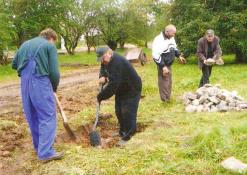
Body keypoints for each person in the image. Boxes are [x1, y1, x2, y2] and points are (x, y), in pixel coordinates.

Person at [12, 28, 63, 162]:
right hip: (40, 81)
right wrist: (54, 87)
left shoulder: (24, 45)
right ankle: (46, 152)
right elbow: (54, 72)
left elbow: (14, 64)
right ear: (51, 38)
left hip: (25, 83)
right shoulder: (48, 46)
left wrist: (25, 74)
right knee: (47, 115)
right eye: (54, 42)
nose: (53, 44)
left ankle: (39, 147)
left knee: (33, 116)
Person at [96, 47, 142, 146]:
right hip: (121, 88)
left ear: (109, 53)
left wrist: (100, 96)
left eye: (103, 58)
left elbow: (112, 86)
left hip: (132, 88)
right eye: (101, 59)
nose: (102, 61)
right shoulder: (106, 60)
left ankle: (129, 135)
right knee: (118, 111)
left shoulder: (117, 62)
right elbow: (103, 67)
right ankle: (122, 131)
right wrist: (102, 75)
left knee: (128, 112)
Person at [152, 24, 186, 102]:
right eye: (173, 33)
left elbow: (174, 48)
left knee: (169, 81)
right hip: (162, 64)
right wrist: (163, 67)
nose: (174, 35)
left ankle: (168, 98)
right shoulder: (158, 40)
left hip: (169, 64)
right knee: (164, 81)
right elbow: (155, 55)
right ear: (167, 31)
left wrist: (179, 56)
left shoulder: (171, 38)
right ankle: (164, 100)